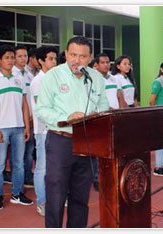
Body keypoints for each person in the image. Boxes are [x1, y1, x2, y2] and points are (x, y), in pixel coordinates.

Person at [35, 37, 109, 228]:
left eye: (82, 56)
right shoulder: (53, 76)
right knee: (56, 195)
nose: (77, 60)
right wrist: (67, 117)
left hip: (87, 143)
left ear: (90, 58)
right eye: (73, 55)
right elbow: (42, 109)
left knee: (80, 197)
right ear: (66, 54)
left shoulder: (96, 78)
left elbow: (103, 106)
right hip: (61, 142)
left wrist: (93, 116)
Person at [0, 45, 34, 210]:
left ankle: (17, 193)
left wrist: (27, 126)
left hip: (19, 127)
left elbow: (25, 104)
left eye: (12, 57)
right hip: (1, 128)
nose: (11, 60)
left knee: (18, 163)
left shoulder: (19, 78)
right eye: (7, 57)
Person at [30, 45, 58, 216]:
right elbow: (44, 107)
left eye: (55, 58)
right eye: (50, 59)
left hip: (57, 129)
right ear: (40, 61)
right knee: (42, 167)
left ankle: (56, 198)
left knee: (57, 167)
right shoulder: (37, 82)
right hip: (43, 130)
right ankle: (42, 201)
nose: (54, 62)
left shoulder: (56, 79)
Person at [12, 45, 36, 188]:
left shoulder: (29, 75)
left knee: (28, 152)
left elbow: (31, 98)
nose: (23, 59)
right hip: (17, 120)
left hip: (30, 119)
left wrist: (32, 116)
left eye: (25, 56)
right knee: (18, 155)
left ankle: (28, 176)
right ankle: (17, 183)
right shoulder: (12, 74)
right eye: (20, 56)